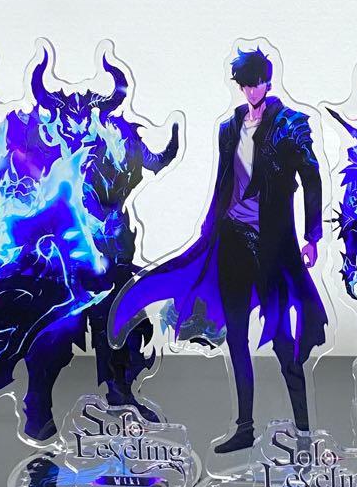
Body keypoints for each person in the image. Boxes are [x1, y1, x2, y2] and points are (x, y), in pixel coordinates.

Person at [110, 44, 327, 452]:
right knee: (237, 337)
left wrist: (312, 237)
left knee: (284, 341)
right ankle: (245, 427)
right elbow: (223, 183)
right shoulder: (230, 128)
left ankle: (303, 433)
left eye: (255, 83)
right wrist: (209, 230)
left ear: (267, 82)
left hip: (273, 247)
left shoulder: (291, 125)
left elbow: (312, 178)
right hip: (231, 242)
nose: (250, 91)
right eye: (244, 84)